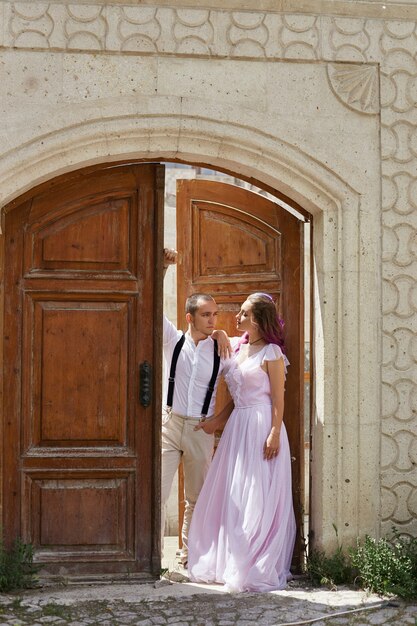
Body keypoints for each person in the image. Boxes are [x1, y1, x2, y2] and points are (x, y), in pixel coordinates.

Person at [188, 292, 296, 592]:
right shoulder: (236, 348)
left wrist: (274, 432)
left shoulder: (272, 353)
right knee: (234, 493)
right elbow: (236, 400)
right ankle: (230, 559)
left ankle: (255, 561)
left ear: (259, 320)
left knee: (257, 495)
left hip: (262, 426)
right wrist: (215, 423)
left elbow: (278, 399)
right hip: (238, 429)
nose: (237, 317)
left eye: (244, 313)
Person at [162, 248, 231, 567]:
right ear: (190, 317)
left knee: (196, 497)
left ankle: (188, 554)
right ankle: (147, 557)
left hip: (200, 428)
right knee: (157, 491)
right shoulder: (172, 340)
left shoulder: (222, 348)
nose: (213, 320)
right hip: (170, 424)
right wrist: (163, 268)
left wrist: (217, 420)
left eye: (215, 315)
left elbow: (243, 389)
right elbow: (150, 306)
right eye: (206, 315)